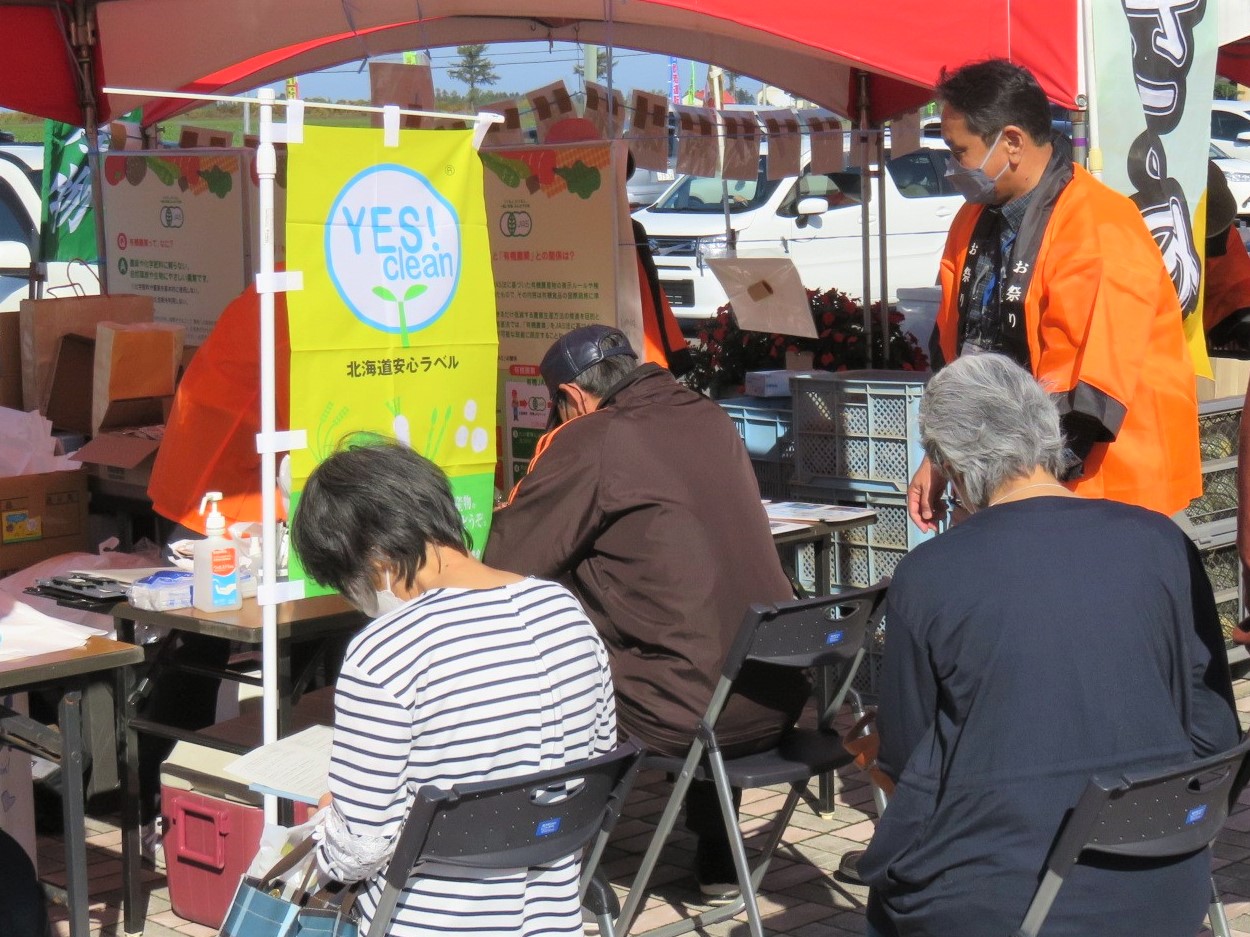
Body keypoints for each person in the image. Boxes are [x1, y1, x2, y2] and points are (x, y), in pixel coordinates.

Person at [860, 353, 1239, 937]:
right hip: (1166, 888)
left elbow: (908, 760)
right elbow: (1214, 734)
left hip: (996, 902)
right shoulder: (1161, 541)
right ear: (1046, 431)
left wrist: (868, 753)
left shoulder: (931, 575)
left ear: (950, 462)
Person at [483, 324, 807, 897]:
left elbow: (510, 559)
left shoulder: (593, 438)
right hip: (776, 693)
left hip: (684, 715)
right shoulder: (708, 416)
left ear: (573, 399)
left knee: (545, 628)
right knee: (704, 623)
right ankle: (718, 852)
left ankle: (557, 856)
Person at [291, 442, 616, 936]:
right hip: (553, 917)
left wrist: (328, 826)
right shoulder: (564, 611)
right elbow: (595, 771)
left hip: (421, 920)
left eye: (345, 581)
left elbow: (358, 851)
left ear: (373, 558)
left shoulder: (385, 651)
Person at [908, 58, 1201, 530]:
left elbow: (1090, 398)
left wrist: (1014, 494)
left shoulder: (1099, 226)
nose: (951, 167)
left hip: (1107, 494)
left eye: (959, 151)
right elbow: (962, 351)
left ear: (1012, 143)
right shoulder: (973, 219)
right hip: (1016, 489)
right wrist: (944, 459)